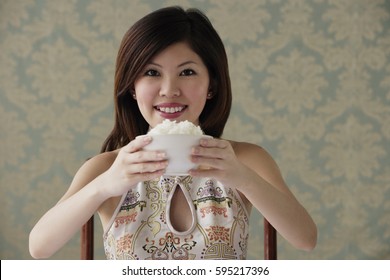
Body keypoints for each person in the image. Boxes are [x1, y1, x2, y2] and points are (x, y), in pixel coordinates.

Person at [29, 6, 317, 260]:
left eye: (187, 72)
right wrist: (105, 185)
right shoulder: (107, 167)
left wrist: (242, 177)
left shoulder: (246, 158)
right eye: (152, 73)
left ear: (211, 85)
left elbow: (306, 239)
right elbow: (39, 247)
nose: (169, 90)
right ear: (132, 87)